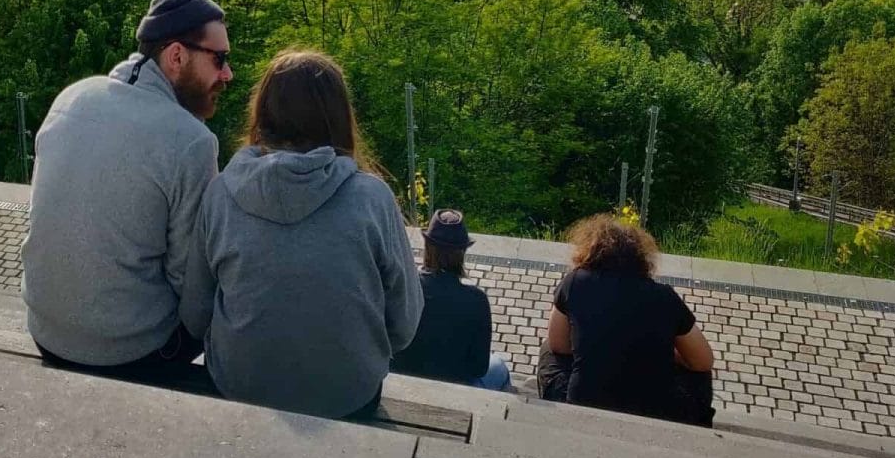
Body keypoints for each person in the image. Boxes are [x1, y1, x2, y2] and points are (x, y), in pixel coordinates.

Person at [181, 50, 422, 419]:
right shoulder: (372, 198)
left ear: (262, 113)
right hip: (348, 397)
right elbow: (404, 324)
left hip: (238, 386)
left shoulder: (221, 193)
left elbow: (196, 315)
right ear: (339, 118)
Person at [23, 0, 232, 378]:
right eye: (219, 59)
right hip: (129, 353)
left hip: (45, 330)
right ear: (176, 56)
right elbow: (191, 284)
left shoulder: (73, 97)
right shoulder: (192, 141)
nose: (228, 73)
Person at [537, 213, 715, 426]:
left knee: (548, 350)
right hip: (658, 412)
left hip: (584, 401)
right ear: (643, 259)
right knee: (700, 376)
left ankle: (552, 410)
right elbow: (703, 361)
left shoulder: (575, 282)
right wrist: (668, 353)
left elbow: (558, 345)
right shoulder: (664, 296)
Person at [392, 208, 512, 392]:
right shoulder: (476, 300)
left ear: (427, 247)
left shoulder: (404, 286)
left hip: (403, 376)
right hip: (454, 386)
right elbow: (479, 368)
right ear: (462, 252)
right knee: (500, 367)